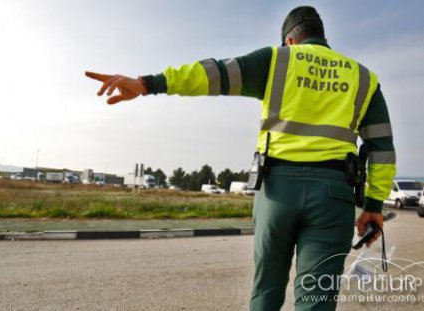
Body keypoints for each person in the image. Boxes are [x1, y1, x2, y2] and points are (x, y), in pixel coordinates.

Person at [86, 6, 396, 310]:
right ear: (321, 36)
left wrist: (146, 84)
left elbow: (212, 74)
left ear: (289, 40)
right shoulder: (364, 78)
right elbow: (382, 149)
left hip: (277, 191)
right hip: (334, 196)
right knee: (317, 300)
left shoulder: (276, 61)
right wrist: (373, 206)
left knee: (267, 289)